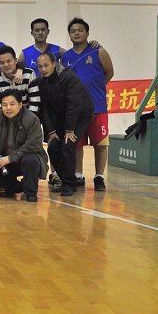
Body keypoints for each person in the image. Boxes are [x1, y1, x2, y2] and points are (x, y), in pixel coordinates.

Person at [61, 17, 114, 191]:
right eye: (73, 31)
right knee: (77, 144)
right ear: (69, 35)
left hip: (97, 106)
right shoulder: (65, 57)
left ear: (87, 33)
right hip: (76, 109)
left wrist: (96, 88)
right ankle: (78, 175)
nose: (76, 33)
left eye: (80, 30)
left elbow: (109, 73)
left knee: (101, 144)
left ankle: (99, 177)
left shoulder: (98, 51)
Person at [35, 52, 94, 197]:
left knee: (68, 144)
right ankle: (66, 180)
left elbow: (74, 105)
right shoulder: (41, 82)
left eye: (46, 65)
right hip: (62, 117)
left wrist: (69, 130)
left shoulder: (68, 77)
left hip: (81, 115)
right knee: (53, 146)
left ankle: (69, 185)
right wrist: (51, 132)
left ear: (54, 64)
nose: (43, 69)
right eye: (40, 66)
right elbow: (44, 109)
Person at [0, 46, 39, 114]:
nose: (6, 65)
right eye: (2, 63)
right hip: (5, 118)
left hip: (27, 116)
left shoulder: (29, 74)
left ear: (15, 61)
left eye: (9, 61)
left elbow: (35, 102)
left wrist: (28, 119)